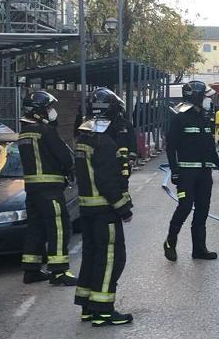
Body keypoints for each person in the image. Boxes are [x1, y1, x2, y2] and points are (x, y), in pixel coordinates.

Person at [74, 89, 134, 327]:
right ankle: (104, 310)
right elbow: (107, 181)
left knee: (92, 257)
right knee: (111, 259)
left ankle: (88, 306)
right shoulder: (105, 143)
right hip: (104, 211)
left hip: (87, 211)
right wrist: (123, 208)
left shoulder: (84, 139)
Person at [17, 91, 77, 286]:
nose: (52, 112)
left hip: (32, 189)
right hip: (50, 189)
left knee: (36, 228)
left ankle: (31, 270)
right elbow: (65, 158)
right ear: (39, 111)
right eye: (49, 108)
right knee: (60, 227)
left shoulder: (24, 132)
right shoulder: (45, 131)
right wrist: (70, 167)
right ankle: (59, 271)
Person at [164, 80, 219, 262]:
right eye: (204, 96)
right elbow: (171, 147)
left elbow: (210, 146)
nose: (207, 100)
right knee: (185, 207)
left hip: (204, 174)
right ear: (196, 97)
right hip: (186, 174)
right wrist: (174, 171)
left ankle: (199, 249)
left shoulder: (205, 117)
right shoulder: (180, 118)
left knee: (202, 210)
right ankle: (170, 242)